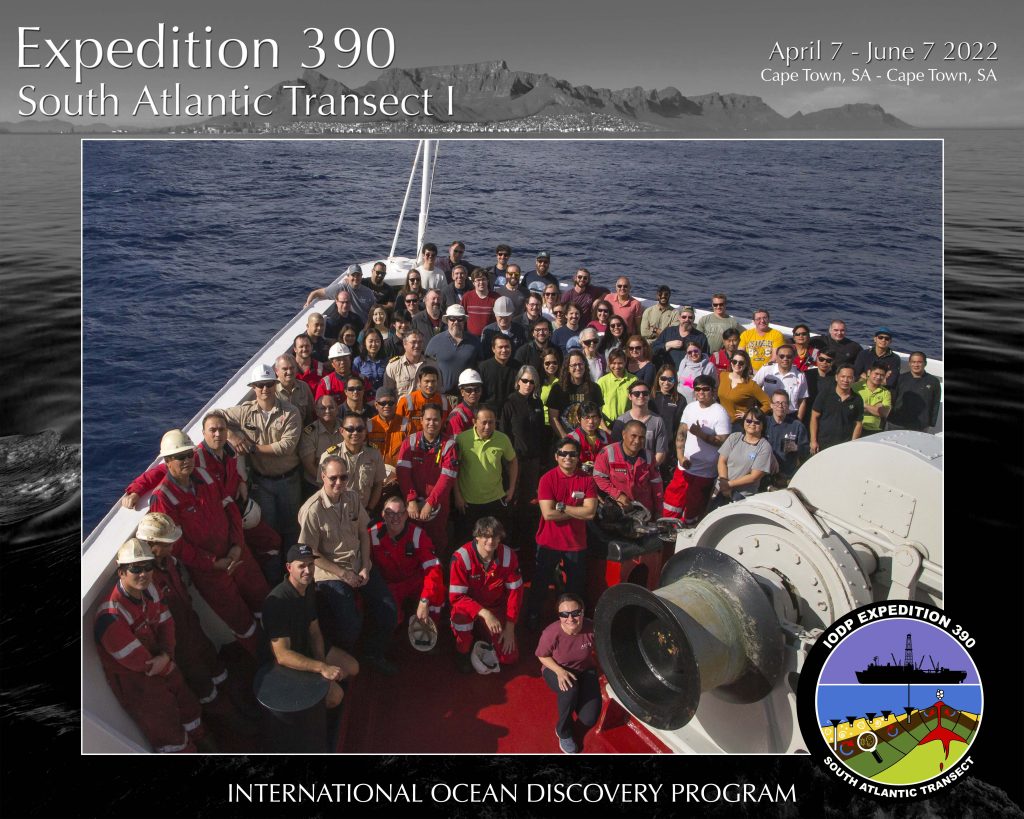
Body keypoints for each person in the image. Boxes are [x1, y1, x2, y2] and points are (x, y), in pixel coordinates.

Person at [148, 429, 269, 657]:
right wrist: (213, 563)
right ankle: (264, 659)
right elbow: (176, 545)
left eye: (189, 454)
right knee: (241, 621)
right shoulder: (163, 498)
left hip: (238, 554)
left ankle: (283, 648)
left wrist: (236, 546)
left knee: (262, 598)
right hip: (210, 573)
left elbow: (231, 509)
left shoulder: (204, 476)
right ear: (167, 461)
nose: (186, 460)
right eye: (179, 456)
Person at [136, 513, 251, 738]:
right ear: (151, 545)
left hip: (192, 627)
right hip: (178, 643)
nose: (172, 547)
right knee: (201, 682)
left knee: (214, 664)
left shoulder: (169, 562)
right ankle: (229, 721)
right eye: (167, 544)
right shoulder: (145, 580)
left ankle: (234, 700)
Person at [95, 538, 212, 753]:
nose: (143, 573)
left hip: (162, 660)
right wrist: (165, 660)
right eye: (136, 568)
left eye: (147, 567)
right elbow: (140, 662)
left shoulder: (151, 590)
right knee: (166, 728)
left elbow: (166, 621)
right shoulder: (110, 617)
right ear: (121, 572)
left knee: (188, 704)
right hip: (138, 683)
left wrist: (167, 654)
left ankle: (201, 741)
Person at [298, 455, 398, 674]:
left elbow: (363, 532)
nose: (338, 483)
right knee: (350, 623)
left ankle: (373, 653)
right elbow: (309, 552)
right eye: (333, 478)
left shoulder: (351, 498)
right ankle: (343, 658)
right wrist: (343, 574)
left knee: (389, 609)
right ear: (322, 476)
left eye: (343, 477)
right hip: (331, 572)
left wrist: (364, 565)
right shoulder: (312, 510)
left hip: (358, 565)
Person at [262, 544, 360, 720]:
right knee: (336, 697)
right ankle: (315, 716)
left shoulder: (307, 588)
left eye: (311, 565)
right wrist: (321, 668)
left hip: (307, 648)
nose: (307, 571)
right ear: (289, 567)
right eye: (301, 566)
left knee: (353, 668)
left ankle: (321, 692)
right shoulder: (276, 602)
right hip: (290, 662)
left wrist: (322, 662)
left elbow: (314, 630)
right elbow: (282, 655)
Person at [527, 438, 598, 631]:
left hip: (576, 544)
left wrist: (563, 507)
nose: (568, 457)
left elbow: (590, 513)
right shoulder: (547, 479)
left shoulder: (587, 480)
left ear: (578, 457)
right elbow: (548, 514)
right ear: (556, 456)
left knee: (575, 588)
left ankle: (571, 621)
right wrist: (576, 510)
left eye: (573, 454)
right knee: (540, 584)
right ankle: (533, 615)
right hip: (549, 542)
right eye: (564, 454)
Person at [449, 517, 523, 672]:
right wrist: (484, 613)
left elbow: (515, 594)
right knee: (460, 615)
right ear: (477, 537)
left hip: (496, 609)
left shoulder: (509, 556)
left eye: (495, 536)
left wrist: (510, 628)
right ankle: (462, 651)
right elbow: (456, 598)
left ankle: (482, 635)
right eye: (486, 536)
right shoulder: (461, 557)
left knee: (509, 657)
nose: (491, 541)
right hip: (470, 609)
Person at [536, 593, 601, 755]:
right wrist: (559, 671)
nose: (570, 618)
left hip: (585, 669)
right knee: (570, 689)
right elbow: (541, 655)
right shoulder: (551, 633)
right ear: (559, 615)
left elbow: (601, 650)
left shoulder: (591, 627)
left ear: (583, 612)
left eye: (575, 613)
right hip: (556, 668)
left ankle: (577, 696)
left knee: (589, 719)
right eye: (564, 614)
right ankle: (563, 731)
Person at [662, 374, 731, 524]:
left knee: (693, 511)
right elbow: (681, 432)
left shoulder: (720, 412)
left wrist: (702, 435)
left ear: (713, 391)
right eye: (697, 389)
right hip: (684, 468)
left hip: (704, 473)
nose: (700, 392)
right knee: (671, 504)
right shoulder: (690, 407)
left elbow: (725, 442)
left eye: (705, 389)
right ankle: (666, 532)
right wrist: (680, 457)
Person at [369, 497, 445, 627]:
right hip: (389, 584)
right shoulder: (372, 534)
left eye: (400, 513)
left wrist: (425, 599)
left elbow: (433, 568)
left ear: (406, 515)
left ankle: (429, 627)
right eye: (390, 513)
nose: (395, 518)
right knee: (390, 615)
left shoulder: (417, 535)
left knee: (437, 591)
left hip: (414, 581)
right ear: (383, 515)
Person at [396, 403, 459, 554]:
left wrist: (430, 503)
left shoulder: (449, 445)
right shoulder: (410, 442)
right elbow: (403, 474)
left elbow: (447, 479)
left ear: (442, 420)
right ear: (421, 420)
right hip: (413, 506)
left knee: (436, 543)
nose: (432, 423)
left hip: (437, 506)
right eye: (428, 419)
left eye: (436, 419)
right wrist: (411, 500)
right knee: (411, 542)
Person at [498, 365, 547, 550]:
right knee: (512, 500)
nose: (528, 384)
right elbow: (504, 433)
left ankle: (523, 540)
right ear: (518, 381)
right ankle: (508, 541)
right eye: (525, 380)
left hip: (533, 459)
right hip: (514, 459)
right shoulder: (509, 403)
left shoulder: (537, 403)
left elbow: (541, 431)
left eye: (532, 381)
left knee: (526, 502)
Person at [454, 406, 518, 544]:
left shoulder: (502, 439)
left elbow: (513, 461)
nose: (488, 426)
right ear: (474, 422)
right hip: (469, 502)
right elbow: (454, 469)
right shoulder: (462, 440)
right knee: (469, 542)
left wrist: (512, 489)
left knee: (494, 541)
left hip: (495, 500)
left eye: (492, 422)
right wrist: (457, 495)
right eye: (484, 422)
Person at [592, 419, 664, 517]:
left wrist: (659, 511)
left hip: (644, 512)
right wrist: (617, 494)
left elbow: (657, 485)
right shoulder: (607, 453)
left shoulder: (649, 456)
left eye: (641, 437)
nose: (637, 441)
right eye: (633, 436)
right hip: (618, 510)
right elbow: (598, 477)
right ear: (624, 434)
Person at [716, 407, 774, 503]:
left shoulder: (764, 447)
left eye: (757, 422)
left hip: (741, 497)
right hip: (720, 490)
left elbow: (754, 476)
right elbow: (721, 461)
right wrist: (723, 481)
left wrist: (729, 485)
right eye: (749, 421)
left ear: (763, 425)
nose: (752, 424)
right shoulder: (734, 437)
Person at [546, 350, 604, 440]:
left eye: (580, 364)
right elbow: (553, 418)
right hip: (565, 440)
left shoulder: (594, 388)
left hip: (589, 441)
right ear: (568, 368)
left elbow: (598, 417)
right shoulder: (557, 389)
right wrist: (566, 439)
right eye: (573, 365)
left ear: (585, 365)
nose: (578, 368)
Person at [424, 304, 482, 394]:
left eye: (460, 319)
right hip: (442, 396)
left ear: (464, 321)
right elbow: (426, 367)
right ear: (447, 321)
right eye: (452, 319)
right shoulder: (435, 341)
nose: (456, 322)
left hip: (468, 396)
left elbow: (481, 367)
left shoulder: (475, 341)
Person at [335, 413, 386, 512]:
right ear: (342, 431)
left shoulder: (374, 454)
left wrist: (369, 509)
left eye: (359, 429)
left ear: (365, 431)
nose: (355, 433)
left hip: (365, 512)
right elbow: (325, 488)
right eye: (350, 429)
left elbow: (378, 485)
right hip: (338, 512)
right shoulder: (331, 456)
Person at [809, 364, 864, 453]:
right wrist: (813, 441)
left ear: (854, 380)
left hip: (844, 445)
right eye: (843, 376)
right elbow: (814, 417)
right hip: (822, 444)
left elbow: (858, 423)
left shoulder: (857, 399)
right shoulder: (825, 394)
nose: (845, 380)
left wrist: (853, 444)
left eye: (849, 377)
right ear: (836, 377)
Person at [611, 381, 667, 466]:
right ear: (630, 396)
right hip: (625, 470)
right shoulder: (621, 421)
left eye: (645, 393)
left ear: (649, 396)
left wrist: (648, 470)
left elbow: (660, 452)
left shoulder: (658, 421)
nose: (641, 396)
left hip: (648, 471)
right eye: (636, 393)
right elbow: (615, 450)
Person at [716, 349, 771, 431]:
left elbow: (768, 404)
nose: (737, 364)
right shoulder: (722, 376)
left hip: (738, 425)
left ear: (746, 365)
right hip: (720, 422)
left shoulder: (751, 385)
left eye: (741, 363)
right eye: (734, 361)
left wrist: (751, 415)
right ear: (731, 362)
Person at [764, 392, 810, 485]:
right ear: (771, 405)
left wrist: (794, 447)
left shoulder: (797, 426)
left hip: (787, 477)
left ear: (788, 406)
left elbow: (805, 453)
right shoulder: (763, 423)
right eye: (777, 403)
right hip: (764, 474)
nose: (780, 406)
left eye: (784, 403)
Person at [754, 344, 809, 421]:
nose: (785, 359)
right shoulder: (766, 370)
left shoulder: (800, 375)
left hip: (790, 417)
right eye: (782, 356)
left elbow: (802, 401)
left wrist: (798, 421)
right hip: (768, 414)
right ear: (776, 357)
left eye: (789, 356)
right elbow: (753, 390)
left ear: (794, 357)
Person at [366, 387, 414, 474]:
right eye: (383, 403)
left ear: (396, 404)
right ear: (376, 405)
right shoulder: (368, 425)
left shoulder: (407, 424)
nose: (387, 406)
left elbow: (413, 452)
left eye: (390, 403)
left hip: (400, 473)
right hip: (374, 473)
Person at [888, 352, 941, 431]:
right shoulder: (900, 379)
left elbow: (935, 404)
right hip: (897, 422)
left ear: (925, 363)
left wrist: (931, 423)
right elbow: (892, 399)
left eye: (919, 362)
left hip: (920, 425)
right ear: (909, 363)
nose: (916, 365)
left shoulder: (933, 381)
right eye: (913, 362)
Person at [300, 395, 343, 489]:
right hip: (316, 483)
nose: (327, 411)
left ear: (337, 409)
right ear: (317, 411)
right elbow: (309, 464)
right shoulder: (309, 433)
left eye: (331, 407)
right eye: (323, 408)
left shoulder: (346, 428)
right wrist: (328, 482)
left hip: (343, 482)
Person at [382, 330, 434, 398]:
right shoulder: (393, 366)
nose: (417, 345)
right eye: (413, 342)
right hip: (402, 407)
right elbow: (387, 394)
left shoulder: (432, 365)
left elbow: (438, 391)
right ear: (404, 344)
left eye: (420, 342)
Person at [479, 335, 519, 413]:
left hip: (512, 412)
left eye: (507, 347)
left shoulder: (519, 367)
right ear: (493, 349)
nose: (504, 350)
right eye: (500, 347)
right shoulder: (483, 367)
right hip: (490, 414)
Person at [597, 349, 637, 426]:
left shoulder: (633, 380)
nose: (617, 366)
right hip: (606, 426)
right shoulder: (602, 382)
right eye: (613, 363)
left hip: (626, 425)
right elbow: (598, 408)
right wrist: (604, 428)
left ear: (625, 362)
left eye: (620, 363)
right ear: (609, 363)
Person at [567, 402, 610, 473]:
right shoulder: (571, 438)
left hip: (602, 477)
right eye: (586, 417)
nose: (591, 421)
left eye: (594, 417)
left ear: (600, 419)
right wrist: (582, 466)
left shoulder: (606, 437)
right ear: (578, 418)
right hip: (579, 477)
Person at [854, 362, 893, 435]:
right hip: (854, 426)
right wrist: (875, 408)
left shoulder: (886, 392)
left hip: (873, 430)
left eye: (882, 375)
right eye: (876, 374)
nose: (878, 377)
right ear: (869, 372)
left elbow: (884, 413)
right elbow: (852, 407)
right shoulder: (856, 387)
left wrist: (864, 405)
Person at [461, 268, 498, 337]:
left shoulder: (496, 298)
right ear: (473, 283)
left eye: (483, 279)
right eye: (478, 280)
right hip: (471, 338)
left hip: (491, 337)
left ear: (488, 281)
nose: (481, 282)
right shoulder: (467, 297)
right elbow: (462, 317)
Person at [446, 369, 484, 436]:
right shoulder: (456, 416)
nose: (473, 393)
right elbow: (456, 442)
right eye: (468, 390)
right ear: (462, 392)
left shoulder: (484, 410)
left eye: (477, 389)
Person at [353, 328, 387, 393]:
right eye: (370, 341)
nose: (374, 344)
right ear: (365, 343)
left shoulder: (386, 361)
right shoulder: (358, 361)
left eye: (377, 341)